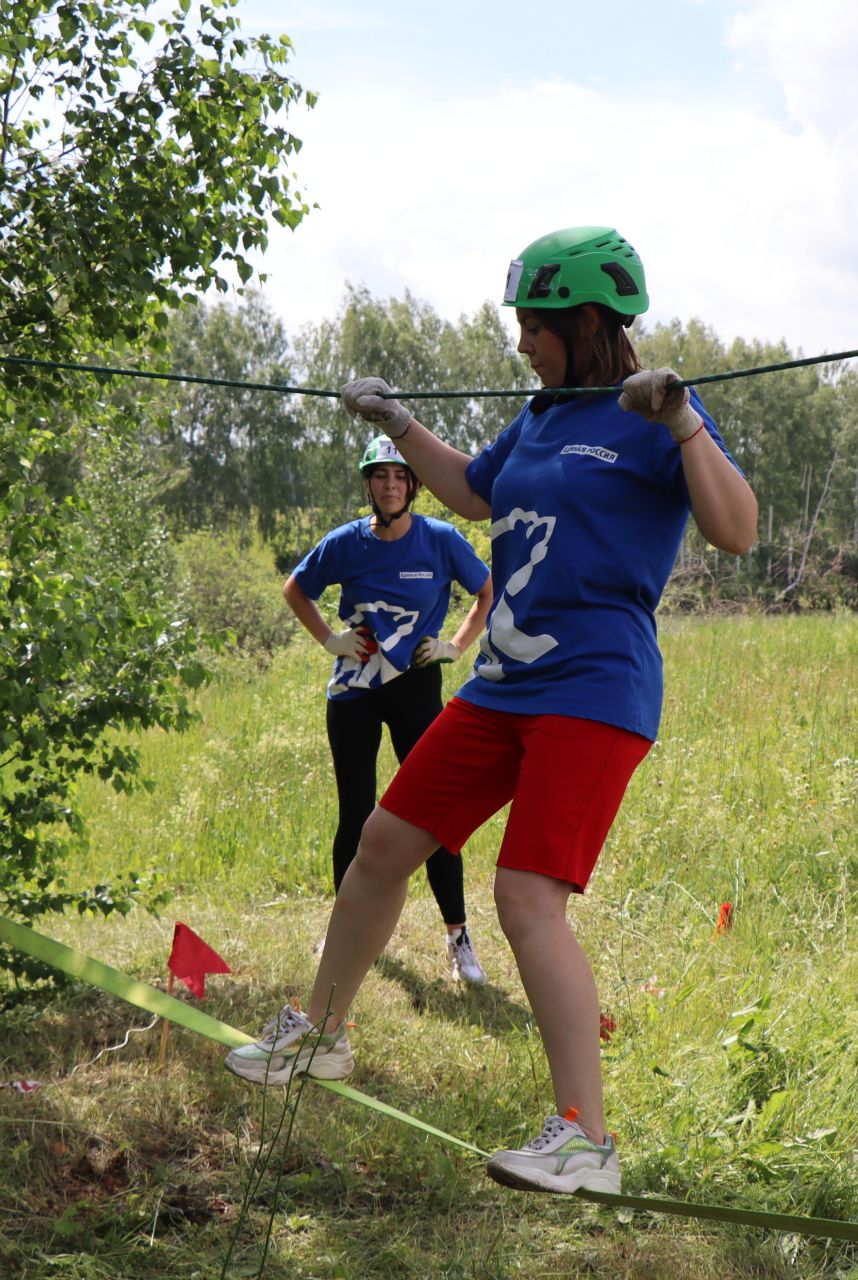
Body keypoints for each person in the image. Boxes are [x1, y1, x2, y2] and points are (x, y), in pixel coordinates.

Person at [227, 226, 757, 1196]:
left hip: (594, 690)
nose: (522, 342)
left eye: (534, 326)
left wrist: (682, 421)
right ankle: (322, 1036)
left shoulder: (654, 414)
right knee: (384, 844)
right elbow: (473, 490)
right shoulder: (543, 415)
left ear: (585, 322)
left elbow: (736, 528)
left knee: (524, 896)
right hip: (504, 682)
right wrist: (395, 422)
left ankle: (584, 1139)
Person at [282, 436, 495, 981]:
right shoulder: (345, 542)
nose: (391, 485)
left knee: (435, 815)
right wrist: (330, 639)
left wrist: (455, 646)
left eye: (400, 476)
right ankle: (345, 933)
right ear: (369, 484)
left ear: (415, 485)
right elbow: (295, 590)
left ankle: (459, 936)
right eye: (381, 476)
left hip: (415, 688)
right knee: (355, 812)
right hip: (353, 689)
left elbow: (487, 593)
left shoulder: (442, 540)